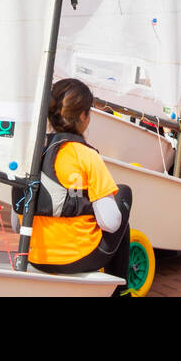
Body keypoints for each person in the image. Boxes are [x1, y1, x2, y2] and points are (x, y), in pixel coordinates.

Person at [25, 78, 133, 288]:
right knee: (123, 194)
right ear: (83, 115)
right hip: (77, 258)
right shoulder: (86, 155)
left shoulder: (33, 152)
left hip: (34, 255)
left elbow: (15, 222)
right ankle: (120, 291)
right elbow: (111, 223)